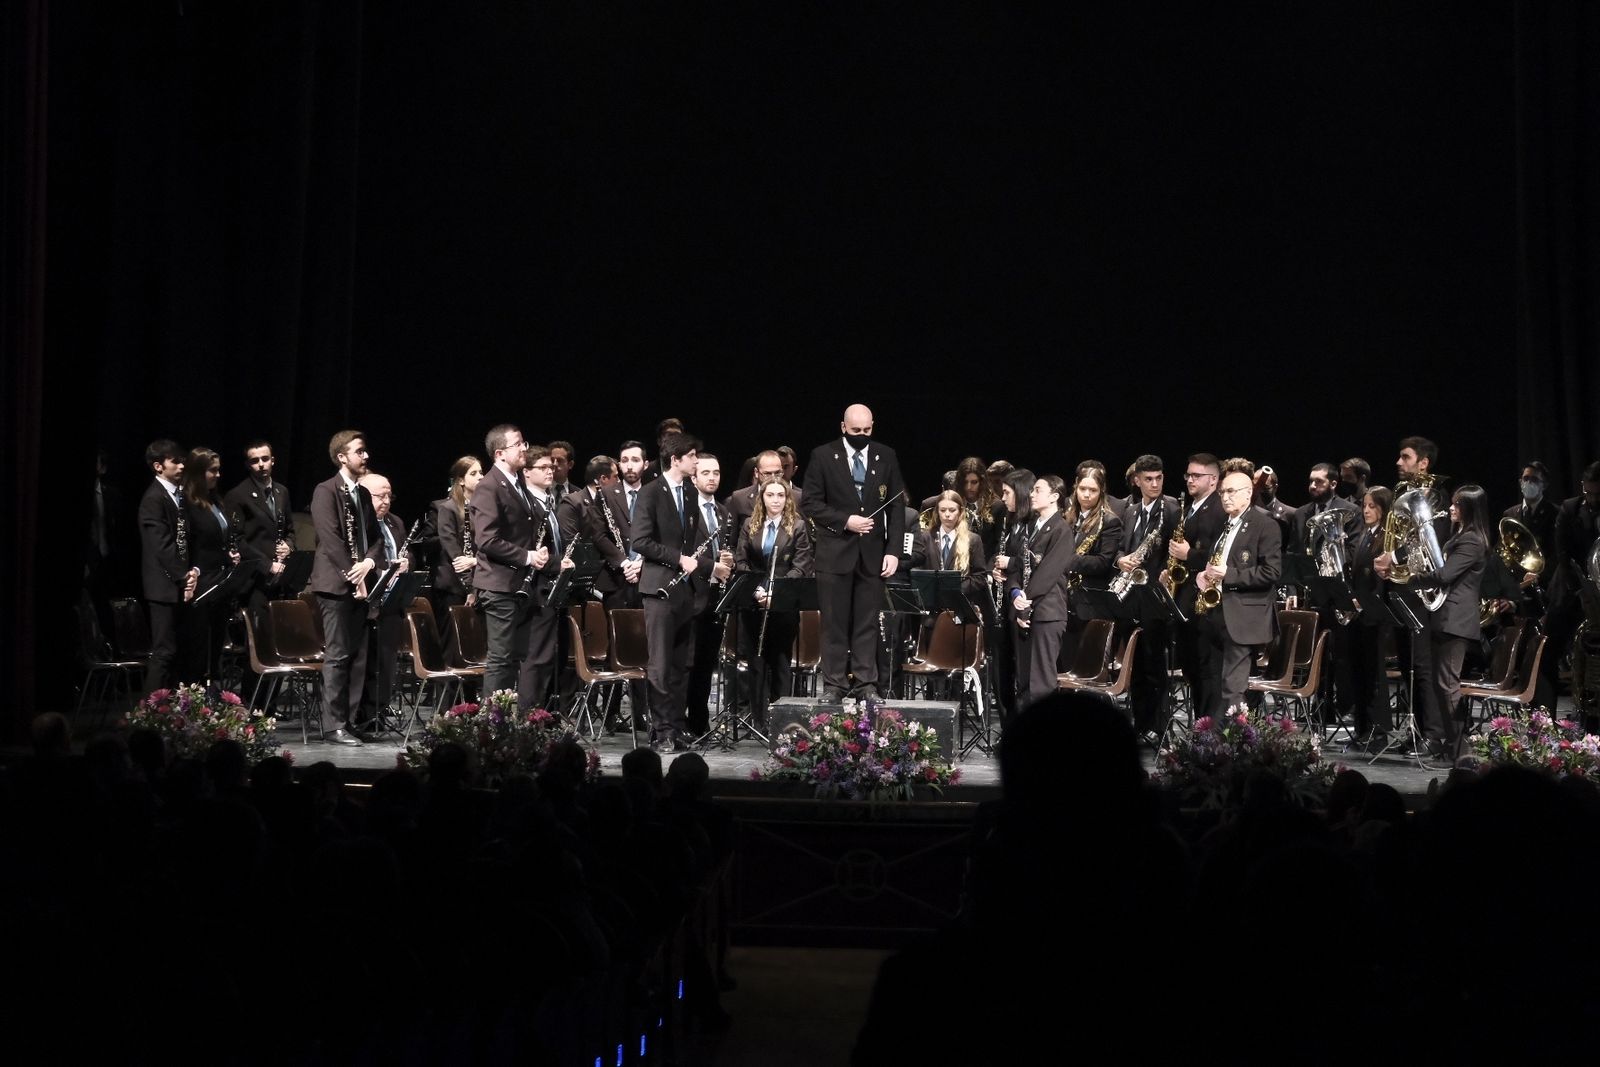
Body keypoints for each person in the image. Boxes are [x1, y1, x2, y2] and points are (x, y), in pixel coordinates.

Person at [799, 403, 907, 701]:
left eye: (867, 430)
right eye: (856, 430)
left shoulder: (885, 455)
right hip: (835, 553)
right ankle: (834, 684)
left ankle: (865, 683)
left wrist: (894, 550)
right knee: (833, 622)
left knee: (867, 622)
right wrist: (845, 521)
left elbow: (897, 504)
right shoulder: (823, 456)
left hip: (872, 555)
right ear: (843, 427)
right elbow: (810, 503)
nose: (862, 435)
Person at [633, 432, 715, 751]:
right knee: (661, 664)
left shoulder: (691, 494)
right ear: (676, 459)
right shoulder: (651, 493)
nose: (697, 461)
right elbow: (639, 541)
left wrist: (707, 566)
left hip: (683, 591)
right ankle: (661, 728)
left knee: (682, 664)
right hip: (658, 589)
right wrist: (677, 558)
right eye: (693, 456)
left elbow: (691, 543)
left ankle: (677, 726)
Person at [308, 430, 383, 745]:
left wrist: (368, 563)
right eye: (360, 452)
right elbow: (331, 538)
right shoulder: (326, 491)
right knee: (338, 655)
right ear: (342, 457)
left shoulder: (363, 494)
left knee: (357, 656)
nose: (366, 457)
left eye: (365, 451)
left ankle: (349, 720)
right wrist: (355, 575)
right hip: (336, 585)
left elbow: (375, 537)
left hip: (360, 581)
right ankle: (333, 724)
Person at [1194, 462, 1281, 713]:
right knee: (1215, 683)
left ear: (1247, 493)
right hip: (1217, 613)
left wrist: (1229, 575)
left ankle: (1234, 743)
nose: (1225, 497)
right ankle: (1214, 741)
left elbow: (1272, 572)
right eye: (1222, 492)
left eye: (1231, 491)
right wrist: (1206, 576)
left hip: (1244, 617)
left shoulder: (1265, 524)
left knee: (1233, 686)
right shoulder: (1226, 525)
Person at [470, 425, 544, 713]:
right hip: (499, 586)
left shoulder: (517, 483)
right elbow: (486, 539)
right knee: (501, 659)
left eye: (523, 442)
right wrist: (526, 556)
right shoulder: (489, 486)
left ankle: (509, 722)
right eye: (518, 444)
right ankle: (492, 724)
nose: (524, 448)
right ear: (500, 453)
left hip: (519, 586)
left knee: (515, 658)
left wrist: (540, 555)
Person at [1414, 484, 1490, 763]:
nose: (1451, 508)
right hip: (1444, 617)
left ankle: (1462, 750)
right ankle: (1453, 745)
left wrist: (1412, 579)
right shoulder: (1462, 535)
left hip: (1455, 620)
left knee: (1447, 684)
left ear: (1469, 509)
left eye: (1457, 504)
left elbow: (1445, 575)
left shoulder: (1472, 540)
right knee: (1440, 684)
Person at [734, 477, 813, 724]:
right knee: (756, 662)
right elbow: (741, 561)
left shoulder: (798, 526)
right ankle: (757, 719)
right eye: (770, 495)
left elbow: (800, 567)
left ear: (787, 499)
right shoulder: (750, 524)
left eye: (781, 495)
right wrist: (758, 591)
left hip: (782, 604)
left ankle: (782, 720)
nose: (776, 500)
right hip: (754, 602)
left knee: (780, 661)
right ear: (762, 498)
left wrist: (775, 593)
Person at [1115, 454, 1180, 739]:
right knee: (1136, 667)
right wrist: (1121, 560)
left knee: (1156, 667)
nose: (1155, 484)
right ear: (1137, 481)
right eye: (1149, 480)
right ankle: (1140, 724)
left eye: (1159, 478)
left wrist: (1167, 570)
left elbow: (1176, 552)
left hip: (1156, 597)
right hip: (1131, 597)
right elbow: (1119, 548)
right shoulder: (1129, 512)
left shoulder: (1173, 509)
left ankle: (1158, 724)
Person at [1005, 474, 1076, 709]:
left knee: (1041, 683)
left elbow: (1048, 573)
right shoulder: (1030, 527)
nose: (1031, 494)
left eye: (1037, 490)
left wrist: (1026, 604)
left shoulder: (1061, 529)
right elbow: (1018, 564)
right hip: (1026, 611)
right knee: (1024, 681)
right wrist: (1015, 592)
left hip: (1047, 613)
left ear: (1054, 496)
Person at [1169, 453, 1227, 718]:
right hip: (1186, 598)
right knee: (1192, 666)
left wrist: (1187, 555)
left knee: (1206, 669)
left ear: (1213, 480)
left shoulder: (1217, 509)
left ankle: (1208, 731)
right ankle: (1201, 728)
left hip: (1205, 602)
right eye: (1188, 475)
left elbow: (1220, 556)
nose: (1190, 480)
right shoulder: (1192, 507)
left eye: (1196, 476)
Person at [517, 445, 575, 709]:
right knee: (536, 657)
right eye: (543, 467)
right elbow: (531, 548)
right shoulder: (527, 504)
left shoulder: (548, 502)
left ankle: (540, 713)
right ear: (526, 472)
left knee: (549, 656)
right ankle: (528, 715)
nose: (550, 471)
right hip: (535, 588)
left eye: (552, 467)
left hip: (551, 588)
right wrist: (556, 563)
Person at [138, 440, 198, 694]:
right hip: (164, 587)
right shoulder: (154, 498)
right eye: (176, 461)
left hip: (182, 583)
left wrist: (194, 571)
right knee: (164, 652)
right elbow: (161, 545)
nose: (182, 465)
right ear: (158, 466)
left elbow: (188, 538)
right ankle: (148, 715)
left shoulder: (180, 495)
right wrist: (183, 576)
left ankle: (175, 712)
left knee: (181, 652)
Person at [356, 472, 414, 732]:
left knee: (387, 664)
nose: (387, 501)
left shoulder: (395, 522)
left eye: (390, 495)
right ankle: (363, 716)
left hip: (391, 602)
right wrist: (383, 572)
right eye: (381, 496)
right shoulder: (360, 524)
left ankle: (379, 712)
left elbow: (405, 549)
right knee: (367, 664)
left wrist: (406, 563)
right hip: (367, 600)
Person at [179, 447, 240, 684]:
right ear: (198, 472)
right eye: (212, 471)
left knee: (215, 649)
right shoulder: (187, 502)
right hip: (201, 584)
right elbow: (189, 546)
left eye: (218, 470)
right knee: (198, 650)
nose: (218, 475)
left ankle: (213, 701)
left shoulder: (214, 500)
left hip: (219, 583)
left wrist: (229, 555)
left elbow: (218, 541)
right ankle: (193, 704)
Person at [686, 453, 734, 736]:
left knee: (706, 665)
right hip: (692, 596)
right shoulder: (687, 511)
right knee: (687, 665)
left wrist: (729, 561)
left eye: (716, 473)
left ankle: (700, 722)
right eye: (705, 473)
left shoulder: (723, 512)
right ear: (694, 478)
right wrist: (711, 567)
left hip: (716, 599)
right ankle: (680, 723)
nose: (712, 478)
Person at [222, 439, 294, 629]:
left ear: (273, 460)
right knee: (260, 631)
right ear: (247, 465)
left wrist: (289, 545)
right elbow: (237, 540)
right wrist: (268, 565)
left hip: (282, 575)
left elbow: (290, 530)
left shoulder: (282, 491)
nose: (261, 464)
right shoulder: (237, 495)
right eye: (255, 461)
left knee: (282, 630)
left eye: (265, 459)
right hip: (256, 577)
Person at [1347, 487, 1395, 753]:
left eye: (1372, 506)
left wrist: (1364, 602)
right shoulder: (1366, 534)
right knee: (1360, 671)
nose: (1366, 510)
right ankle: (1362, 728)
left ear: (1384, 510)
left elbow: (1381, 582)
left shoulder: (1387, 539)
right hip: (1359, 614)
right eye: (1364, 505)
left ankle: (1379, 731)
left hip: (1376, 616)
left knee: (1375, 675)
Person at [428, 455, 482, 642]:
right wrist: (469, 588)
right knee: (454, 640)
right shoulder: (449, 508)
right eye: (473, 473)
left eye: (481, 472)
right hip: (454, 585)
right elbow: (455, 555)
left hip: (480, 581)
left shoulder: (483, 507)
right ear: (460, 480)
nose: (480, 477)